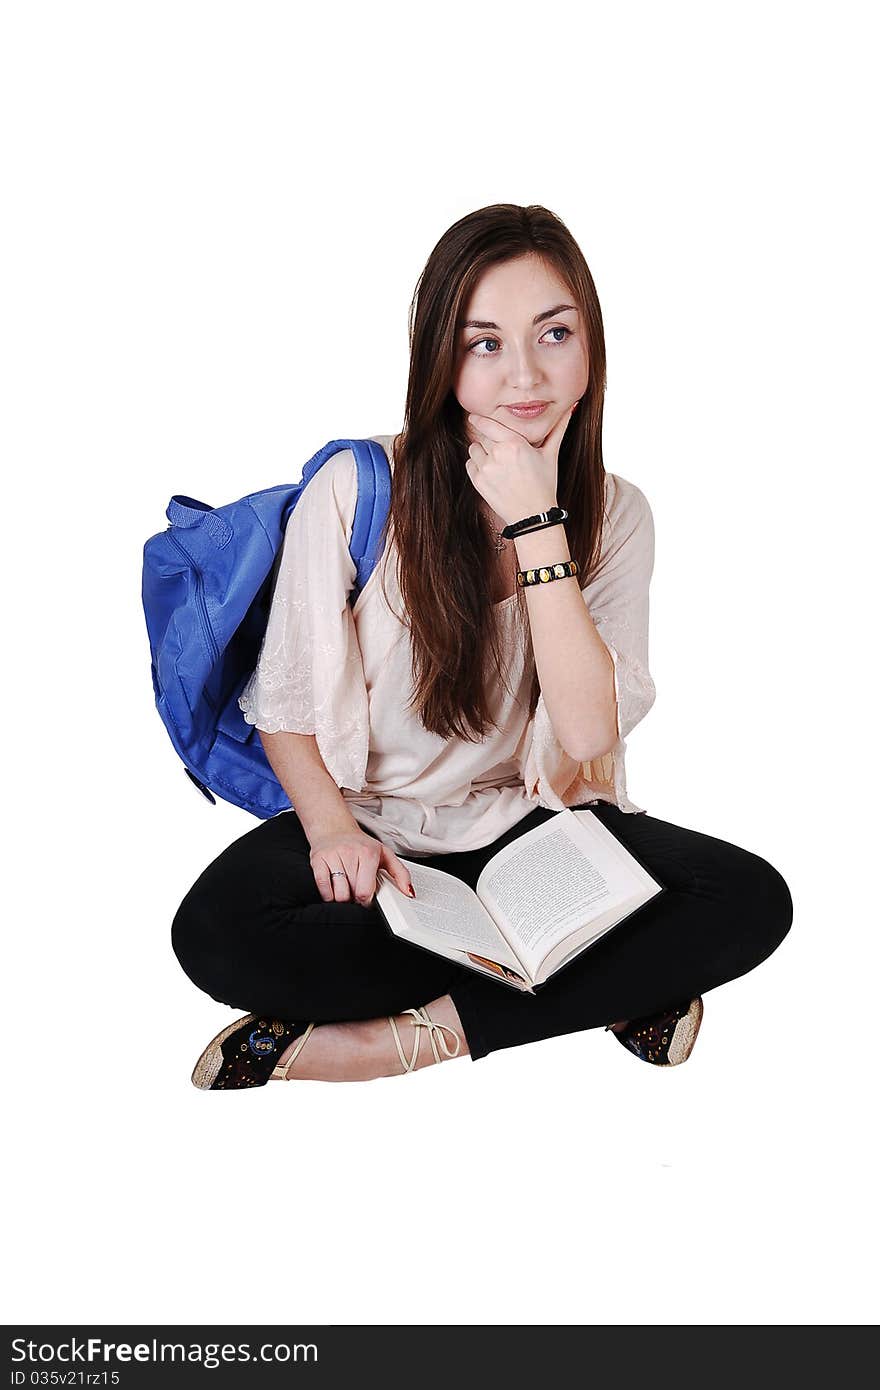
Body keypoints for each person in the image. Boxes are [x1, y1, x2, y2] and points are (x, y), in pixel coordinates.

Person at [172, 203, 793, 1091]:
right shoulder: (357, 489)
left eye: (554, 333)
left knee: (749, 900)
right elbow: (287, 709)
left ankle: (402, 1040)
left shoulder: (617, 515)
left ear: (592, 346)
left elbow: (586, 737)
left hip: (534, 833)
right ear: (441, 358)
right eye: (486, 343)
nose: (526, 375)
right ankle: (607, 985)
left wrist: (540, 527)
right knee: (218, 932)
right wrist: (333, 831)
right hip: (380, 831)